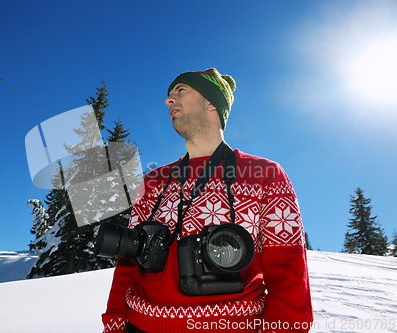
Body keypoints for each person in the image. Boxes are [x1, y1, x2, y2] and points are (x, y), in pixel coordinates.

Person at [101, 68, 313, 333]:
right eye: (169, 95)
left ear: (212, 103)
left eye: (181, 91)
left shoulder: (264, 174)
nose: (169, 100)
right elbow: (127, 264)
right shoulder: (154, 180)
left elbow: (289, 274)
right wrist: (114, 323)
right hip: (140, 325)